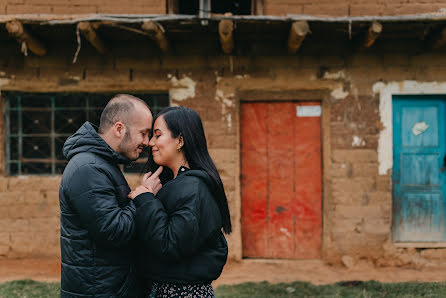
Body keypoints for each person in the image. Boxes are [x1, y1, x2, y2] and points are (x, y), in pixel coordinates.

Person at [128, 106, 232, 297]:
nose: (150, 142)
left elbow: (170, 244)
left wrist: (146, 200)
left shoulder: (194, 188)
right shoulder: (177, 184)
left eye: (157, 135)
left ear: (180, 141)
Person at [59, 94, 153, 297]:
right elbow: (114, 231)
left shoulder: (102, 164)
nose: (147, 142)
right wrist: (143, 196)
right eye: (143, 133)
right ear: (119, 129)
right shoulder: (88, 168)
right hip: (99, 291)